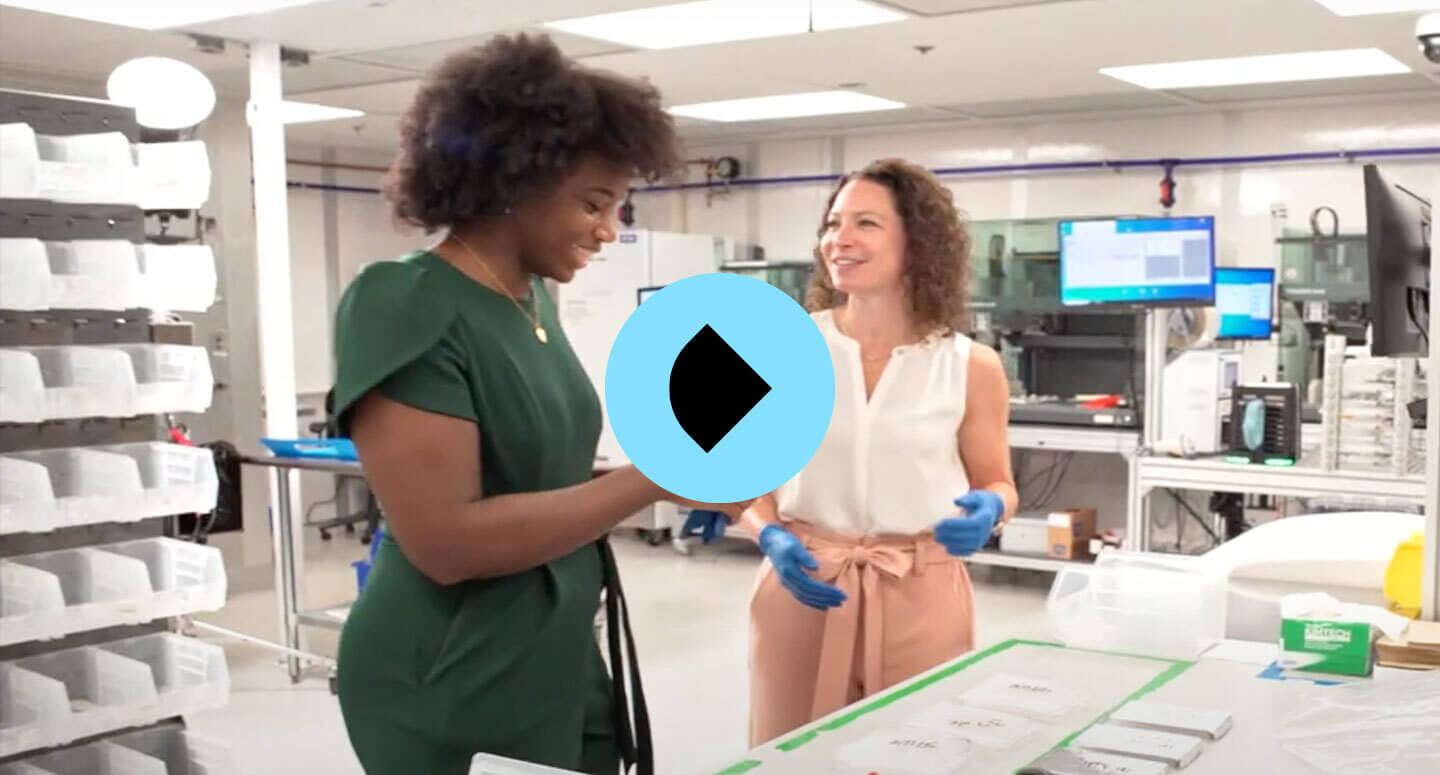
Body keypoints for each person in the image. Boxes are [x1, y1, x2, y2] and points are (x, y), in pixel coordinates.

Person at [329, 33, 744, 775]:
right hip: (449, 669)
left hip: (552, 647)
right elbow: (446, 541)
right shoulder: (403, 301)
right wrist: (649, 478)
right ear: (512, 178)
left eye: (617, 206)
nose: (608, 229)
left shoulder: (534, 302)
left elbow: (536, 481)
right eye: (593, 203)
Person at [737, 158, 1019, 746]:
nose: (840, 239)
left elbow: (998, 481)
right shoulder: (785, 348)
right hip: (804, 582)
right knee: (789, 755)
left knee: (916, 752)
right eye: (833, 223)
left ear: (917, 241)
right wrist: (769, 533)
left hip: (921, 587)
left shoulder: (970, 366)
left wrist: (991, 510)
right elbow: (745, 480)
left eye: (866, 223)